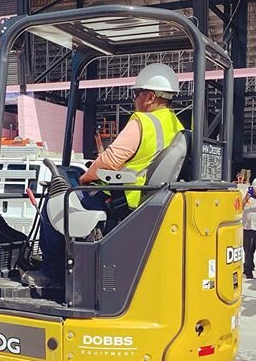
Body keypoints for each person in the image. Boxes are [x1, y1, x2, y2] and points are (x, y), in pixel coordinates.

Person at [23, 63, 184, 291]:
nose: (134, 100)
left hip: (124, 199)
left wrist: (85, 178)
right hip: (147, 199)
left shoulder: (143, 121)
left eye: (136, 94)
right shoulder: (176, 125)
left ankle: (51, 272)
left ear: (149, 97)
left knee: (55, 202)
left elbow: (109, 160)